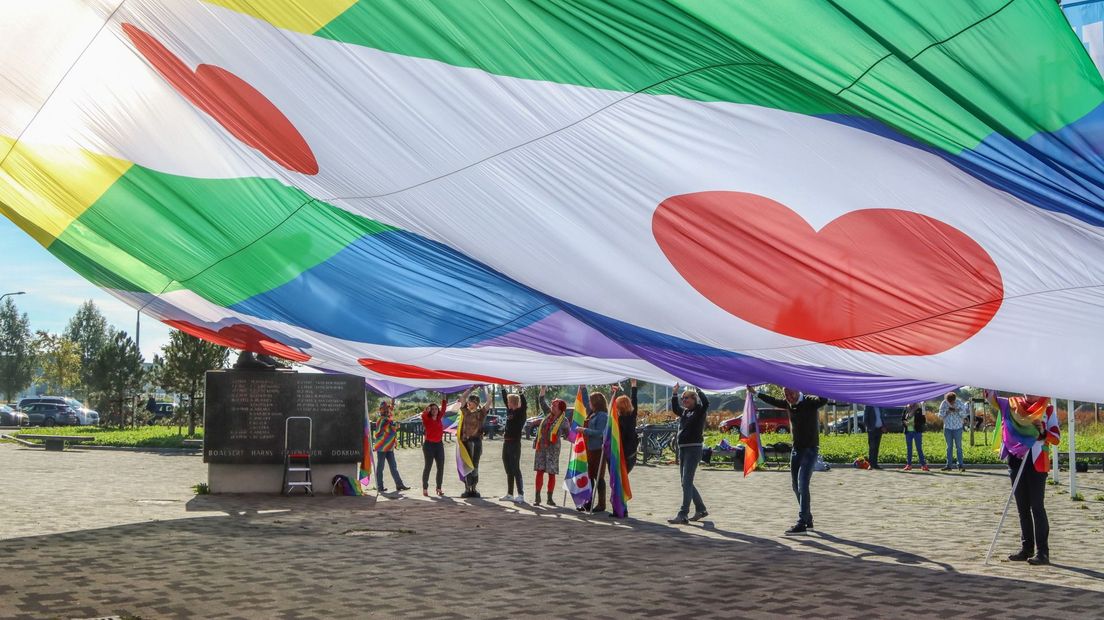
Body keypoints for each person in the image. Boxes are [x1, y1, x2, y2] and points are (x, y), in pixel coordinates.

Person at [985, 390, 1060, 565]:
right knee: (1022, 507)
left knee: (1037, 507)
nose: (1029, 393)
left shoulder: (1047, 409)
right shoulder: (1012, 404)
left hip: (1036, 462)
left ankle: (1043, 552)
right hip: (1016, 460)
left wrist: (1042, 432)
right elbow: (991, 398)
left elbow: (1056, 438)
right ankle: (1027, 548)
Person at [754, 386, 828, 535]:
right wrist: (756, 393)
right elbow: (773, 400)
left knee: (803, 483)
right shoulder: (788, 404)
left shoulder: (810, 401)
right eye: (786, 394)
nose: (789, 397)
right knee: (795, 486)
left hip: (810, 449)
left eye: (791, 393)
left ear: (798, 390)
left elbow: (824, 399)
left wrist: (816, 382)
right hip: (796, 450)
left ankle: (802, 522)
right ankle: (808, 518)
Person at [667, 383, 709, 525]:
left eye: (686, 398)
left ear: (694, 399)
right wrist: (674, 394)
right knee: (686, 483)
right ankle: (701, 509)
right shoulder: (685, 412)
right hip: (683, 448)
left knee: (686, 482)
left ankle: (683, 513)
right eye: (683, 399)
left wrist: (698, 389)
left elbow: (706, 402)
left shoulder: (699, 410)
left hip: (693, 448)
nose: (684, 401)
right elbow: (675, 409)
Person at [609, 380, 640, 518]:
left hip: (625, 455)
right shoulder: (630, 417)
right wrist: (633, 386)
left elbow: (634, 401)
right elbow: (634, 401)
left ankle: (621, 509)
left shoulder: (622, 418)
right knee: (619, 481)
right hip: (629, 454)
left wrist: (633, 387)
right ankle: (620, 508)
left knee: (619, 481)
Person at [534, 386, 569, 506]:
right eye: (552, 404)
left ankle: (550, 498)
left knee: (551, 473)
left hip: (553, 450)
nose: (552, 406)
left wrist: (579, 438)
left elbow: (569, 435)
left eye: (554, 405)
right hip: (541, 448)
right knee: (539, 471)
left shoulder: (564, 421)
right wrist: (543, 388)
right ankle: (537, 498)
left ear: (560, 409)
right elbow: (542, 400)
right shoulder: (548, 414)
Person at [458, 386, 492, 498]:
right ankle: (467, 489)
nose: (468, 403)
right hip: (466, 441)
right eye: (468, 402)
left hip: (476, 442)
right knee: (467, 464)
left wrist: (485, 388)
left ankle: (474, 489)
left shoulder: (481, 413)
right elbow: (462, 397)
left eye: (471, 402)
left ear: (476, 403)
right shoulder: (466, 412)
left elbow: (489, 401)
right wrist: (472, 388)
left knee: (475, 465)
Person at [581, 389, 610, 514]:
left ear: (596, 403)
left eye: (591, 402)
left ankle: (601, 503)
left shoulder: (602, 416)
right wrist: (583, 389)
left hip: (599, 450)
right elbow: (585, 402)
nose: (590, 404)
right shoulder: (593, 413)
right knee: (590, 477)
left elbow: (600, 433)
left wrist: (584, 430)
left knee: (599, 477)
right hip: (590, 449)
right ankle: (589, 502)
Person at [373, 399, 410, 493]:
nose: (386, 410)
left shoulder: (388, 418)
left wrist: (392, 402)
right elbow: (382, 431)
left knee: (393, 466)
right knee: (380, 467)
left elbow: (393, 427)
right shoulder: (381, 420)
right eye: (383, 409)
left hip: (389, 447)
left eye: (387, 409)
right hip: (382, 447)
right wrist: (391, 424)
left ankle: (399, 484)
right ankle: (379, 487)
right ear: (380, 410)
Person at [498, 388, 528, 503]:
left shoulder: (520, 412)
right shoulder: (510, 411)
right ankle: (510, 494)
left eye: (509, 401)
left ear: (514, 402)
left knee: (515, 468)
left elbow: (524, 405)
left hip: (515, 443)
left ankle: (520, 494)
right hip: (506, 442)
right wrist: (502, 387)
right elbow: (505, 399)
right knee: (508, 468)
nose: (507, 403)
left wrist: (520, 392)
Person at [611, 379, 641, 472]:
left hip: (623, 453)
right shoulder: (632, 416)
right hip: (631, 453)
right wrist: (633, 385)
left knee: (619, 479)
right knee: (623, 478)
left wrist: (614, 393)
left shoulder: (619, 419)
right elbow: (634, 400)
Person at [420, 397, 448, 497]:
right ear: (430, 411)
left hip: (439, 445)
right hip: (429, 446)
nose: (434, 410)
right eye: (432, 409)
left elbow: (444, 409)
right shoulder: (426, 419)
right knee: (428, 466)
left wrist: (444, 398)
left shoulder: (440, 417)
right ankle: (425, 488)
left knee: (440, 467)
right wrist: (426, 410)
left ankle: (439, 488)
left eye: (436, 409)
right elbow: (423, 415)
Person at [939, 392, 970, 471]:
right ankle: (949, 466)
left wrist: (957, 410)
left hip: (958, 428)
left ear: (955, 399)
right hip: (947, 428)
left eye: (952, 402)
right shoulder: (944, 403)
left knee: (959, 447)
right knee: (949, 447)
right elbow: (940, 416)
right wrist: (947, 411)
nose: (951, 403)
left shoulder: (959, 402)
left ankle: (960, 465)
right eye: (949, 402)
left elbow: (964, 415)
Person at [902, 402, 928, 471]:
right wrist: (905, 423)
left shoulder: (919, 409)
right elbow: (903, 419)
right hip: (908, 432)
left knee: (919, 448)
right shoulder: (906, 409)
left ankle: (923, 465)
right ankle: (909, 465)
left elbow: (923, 420)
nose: (910, 402)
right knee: (909, 449)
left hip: (917, 432)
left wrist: (914, 423)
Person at [862, 404, 887, 470]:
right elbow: (865, 418)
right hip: (872, 430)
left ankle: (875, 464)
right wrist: (869, 428)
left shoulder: (880, 406)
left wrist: (883, 425)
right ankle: (870, 464)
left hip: (879, 429)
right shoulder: (868, 406)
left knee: (876, 447)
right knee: (872, 447)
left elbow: (882, 417)